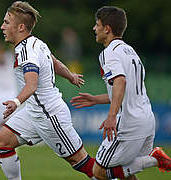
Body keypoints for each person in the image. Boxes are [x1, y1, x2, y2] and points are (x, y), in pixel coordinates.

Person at [0, 1, 98, 180]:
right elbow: (54, 61)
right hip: (34, 113)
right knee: (2, 142)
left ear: (20, 27)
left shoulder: (27, 52)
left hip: (49, 115)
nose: (2, 26)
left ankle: (144, 163)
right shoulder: (36, 43)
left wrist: (16, 102)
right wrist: (70, 76)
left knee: (82, 163)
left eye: (6, 22)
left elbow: (31, 85)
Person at [70, 6, 171, 180]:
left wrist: (111, 116)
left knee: (99, 172)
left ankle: (154, 159)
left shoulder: (109, 53)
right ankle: (154, 158)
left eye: (97, 24)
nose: (94, 29)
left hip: (129, 123)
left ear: (107, 29)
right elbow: (124, 89)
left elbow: (120, 82)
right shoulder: (130, 52)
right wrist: (95, 99)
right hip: (146, 119)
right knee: (125, 172)